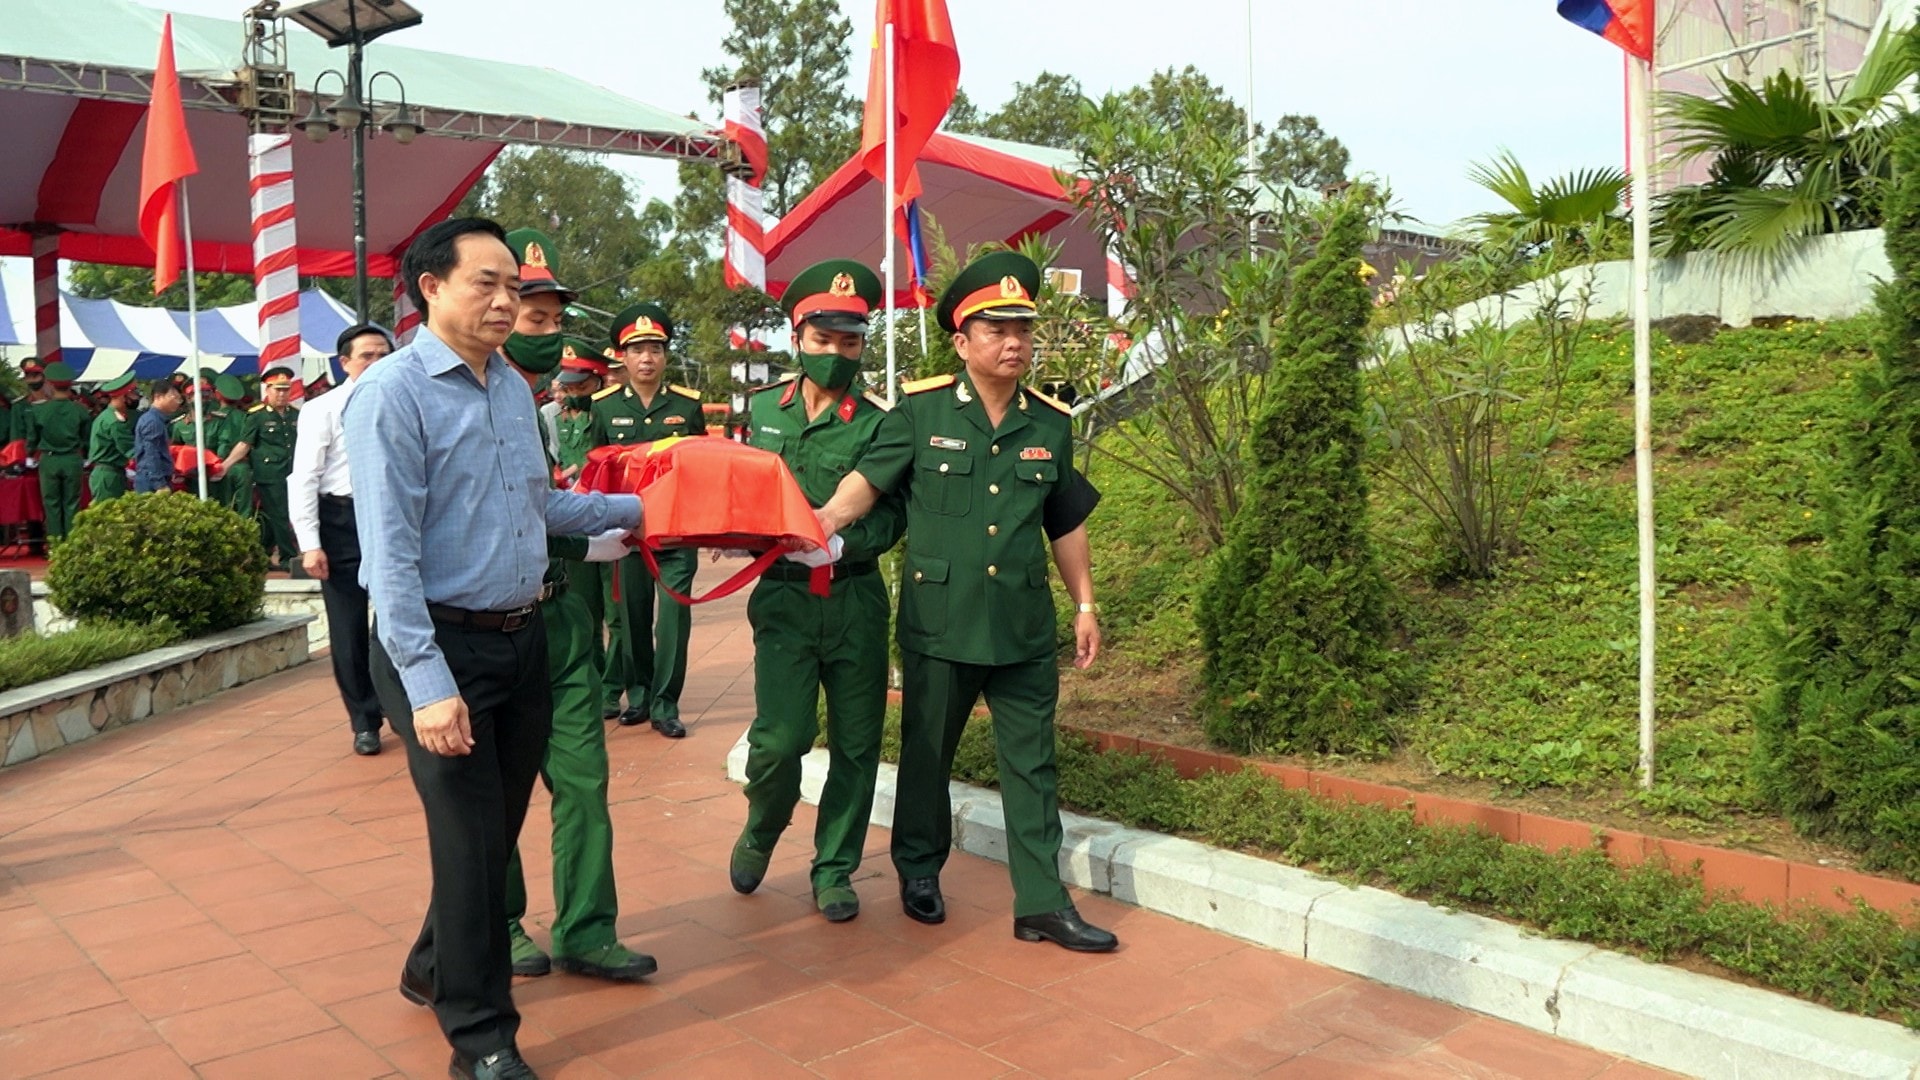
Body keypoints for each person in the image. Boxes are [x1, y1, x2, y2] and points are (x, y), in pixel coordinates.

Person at [345, 217, 641, 1080]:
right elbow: (387, 556)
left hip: (522, 641)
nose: (508, 300)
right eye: (488, 282)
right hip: (433, 650)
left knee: (492, 831)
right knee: (474, 845)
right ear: (429, 287)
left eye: (514, 285)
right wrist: (431, 687)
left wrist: (647, 510)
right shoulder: (392, 395)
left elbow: (542, 508)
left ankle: (433, 963)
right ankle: (481, 1037)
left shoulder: (510, 388)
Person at [813, 251, 1117, 953]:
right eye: (995, 330)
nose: (1013, 343)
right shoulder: (919, 412)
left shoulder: (1050, 424)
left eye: (1022, 330)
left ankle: (1040, 902)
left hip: (1021, 626)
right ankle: (919, 869)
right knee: (927, 754)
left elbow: (1065, 522)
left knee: (1033, 765)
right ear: (961, 341)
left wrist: (1084, 604)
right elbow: (869, 481)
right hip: (940, 624)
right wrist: (825, 521)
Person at [492, 228, 656, 985]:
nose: (548, 334)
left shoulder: (532, 404)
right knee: (497, 794)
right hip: (499, 627)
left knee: (584, 782)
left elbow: (543, 505)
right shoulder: (477, 399)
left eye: (556, 321)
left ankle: (588, 927)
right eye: (535, 319)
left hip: (562, 622)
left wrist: (592, 542)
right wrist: (611, 523)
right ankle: (502, 926)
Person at [731, 260, 906, 923]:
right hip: (782, 597)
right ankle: (763, 825)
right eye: (824, 340)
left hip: (855, 600)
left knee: (858, 746)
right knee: (781, 739)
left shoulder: (886, 422)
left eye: (851, 341)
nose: (837, 354)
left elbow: (893, 514)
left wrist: (843, 543)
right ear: (797, 335)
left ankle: (834, 867)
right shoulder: (763, 410)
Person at [588, 302, 703, 738]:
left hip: (677, 530)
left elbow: (700, 469)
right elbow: (597, 470)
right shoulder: (603, 408)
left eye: (655, 348)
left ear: (666, 355)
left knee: (673, 619)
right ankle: (637, 696)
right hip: (628, 534)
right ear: (622, 356)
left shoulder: (686, 407)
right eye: (637, 350)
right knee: (631, 618)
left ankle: (665, 703)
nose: (647, 358)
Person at [293, 324, 394, 756]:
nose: (376, 363)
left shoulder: (405, 401)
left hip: (392, 518)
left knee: (397, 619)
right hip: (341, 520)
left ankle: (401, 706)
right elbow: (304, 478)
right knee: (348, 626)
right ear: (345, 362)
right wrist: (310, 542)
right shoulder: (322, 410)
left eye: (383, 355)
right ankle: (364, 720)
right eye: (367, 356)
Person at [26, 361, 89, 541]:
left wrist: (30, 454)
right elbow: (85, 439)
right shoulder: (80, 411)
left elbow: (32, 438)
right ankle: (71, 545)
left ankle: (56, 545)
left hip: (49, 460)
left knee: (51, 504)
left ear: (50, 384)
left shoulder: (39, 410)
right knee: (72, 504)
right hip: (72, 459)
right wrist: (85, 454)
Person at [249, 370, 301, 571]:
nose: (282, 394)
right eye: (277, 390)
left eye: (286, 390)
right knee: (280, 514)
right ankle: (288, 556)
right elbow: (245, 444)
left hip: (293, 471)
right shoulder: (258, 416)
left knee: (283, 514)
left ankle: (265, 552)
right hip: (269, 473)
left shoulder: (295, 414)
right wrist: (226, 465)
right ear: (268, 390)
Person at [85, 373, 140, 504]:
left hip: (109, 473)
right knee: (107, 518)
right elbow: (130, 450)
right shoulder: (114, 422)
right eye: (133, 394)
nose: (137, 397)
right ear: (123, 396)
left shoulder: (108, 416)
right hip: (108, 476)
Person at [212, 375, 255, 518]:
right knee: (245, 512)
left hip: (218, 467)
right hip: (242, 467)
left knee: (222, 510)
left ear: (217, 394)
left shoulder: (211, 418)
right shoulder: (246, 417)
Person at [132, 379, 181, 495]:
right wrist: (160, 484)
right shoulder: (152, 421)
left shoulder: (157, 419)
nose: (177, 401)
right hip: (151, 481)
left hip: (153, 478)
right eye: (173, 397)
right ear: (158, 397)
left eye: (179, 398)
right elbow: (151, 453)